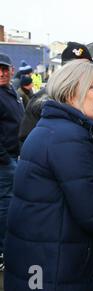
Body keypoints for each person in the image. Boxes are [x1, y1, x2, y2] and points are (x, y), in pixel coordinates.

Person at [3, 59, 93, 291]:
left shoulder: (54, 128)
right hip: (54, 270)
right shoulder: (70, 137)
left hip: (42, 263)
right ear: (70, 92)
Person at [17, 42, 93, 171]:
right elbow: (27, 140)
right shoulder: (41, 100)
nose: (80, 73)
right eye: (73, 68)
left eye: (85, 67)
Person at [0, 53, 25, 272]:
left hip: (13, 156)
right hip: (4, 160)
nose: (1, 73)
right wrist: (4, 157)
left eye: (4, 69)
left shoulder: (10, 91)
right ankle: (3, 250)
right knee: (5, 205)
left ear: (12, 70)